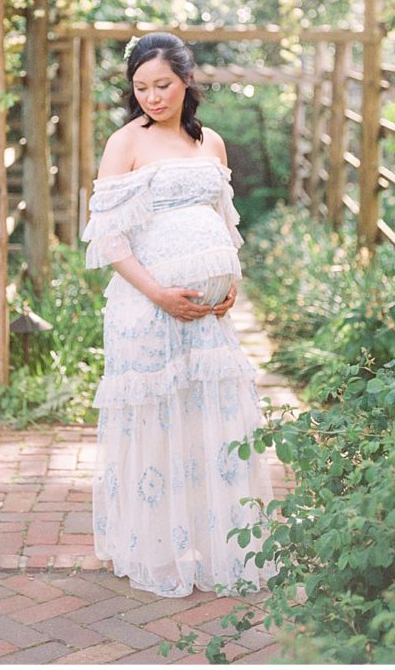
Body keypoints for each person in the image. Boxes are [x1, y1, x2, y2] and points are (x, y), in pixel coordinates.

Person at [81, 32, 273, 598]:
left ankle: (218, 546)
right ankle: (157, 549)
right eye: (140, 87)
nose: (151, 97)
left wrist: (231, 281)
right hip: (147, 309)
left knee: (212, 422)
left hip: (211, 317)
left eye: (162, 85)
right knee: (159, 423)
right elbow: (108, 240)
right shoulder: (126, 143)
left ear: (186, 80)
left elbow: (223, 219)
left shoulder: (210, 142)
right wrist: (159, 294)